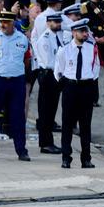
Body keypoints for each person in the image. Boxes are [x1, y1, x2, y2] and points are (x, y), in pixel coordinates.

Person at [0, 11, 31, 162]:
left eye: (7, 22)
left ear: (13, 23)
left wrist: (14, 70)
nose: (3, 25)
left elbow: (26, 60)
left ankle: (21, 150)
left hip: (16, 81)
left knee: (18, 116)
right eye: (2, 22)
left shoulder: (22, 39)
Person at [55, 18, 99, 169]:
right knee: (67, 124)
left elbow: (96, 67)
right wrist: (66, 83)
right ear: (74, 33)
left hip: (86, 86)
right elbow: (59, 70)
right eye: (82, 31)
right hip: (70, 87)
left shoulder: (91, 48)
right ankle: (66, 158)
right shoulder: (65, 50)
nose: (85, 34)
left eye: (86, 31)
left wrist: (90, 81)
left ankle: (86, 158)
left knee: (85, 125)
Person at [32, 12, 65, 155]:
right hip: (48, 75)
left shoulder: (56, 36)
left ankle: (48, 142)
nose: (58, 24)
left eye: (59, 22)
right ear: (48, 23)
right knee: (46, 111)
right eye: (54, 22)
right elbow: (48, 62)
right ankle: (45, 143)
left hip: (55, 76)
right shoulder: (44, 39)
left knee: (51, 111)